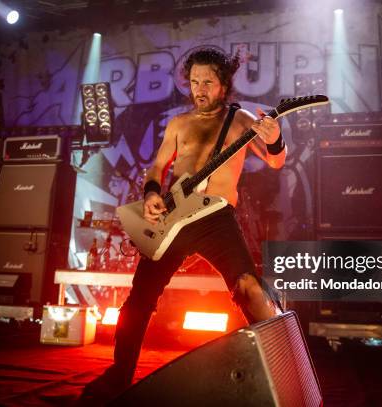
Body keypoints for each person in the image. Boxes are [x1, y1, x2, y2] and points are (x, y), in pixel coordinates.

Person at [78, 47, 287, 405]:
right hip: (174, 219)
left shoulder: (241, 120)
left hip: (216, 217)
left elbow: (276, 162)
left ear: (224, 85)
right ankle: (119, 378)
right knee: (138, 301)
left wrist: (274, 137)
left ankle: (281, 374)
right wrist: (152, 193)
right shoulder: (178, 123)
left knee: (249, 287)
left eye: (208, 81)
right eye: (194, 81)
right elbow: (157, 167)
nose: (200, 88)